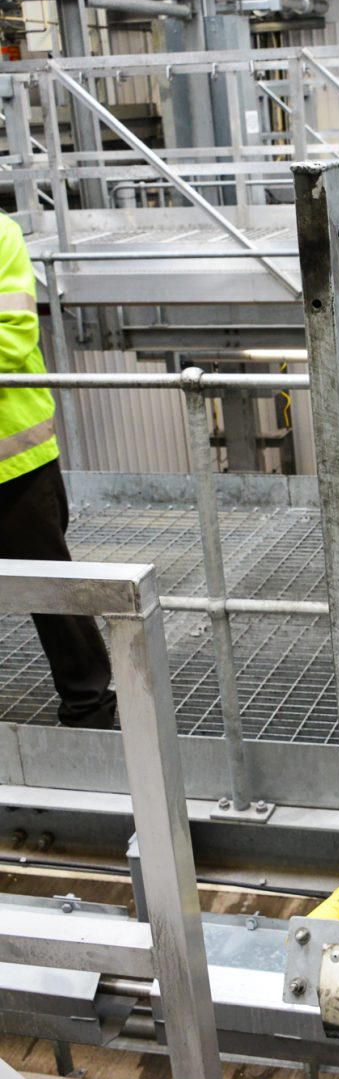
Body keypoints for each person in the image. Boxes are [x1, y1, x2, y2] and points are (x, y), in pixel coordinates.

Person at [0, 210, 117, 729]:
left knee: (53, 593)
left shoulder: (0, 233)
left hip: (14, 463)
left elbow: (14, 338)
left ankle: (90, 711)